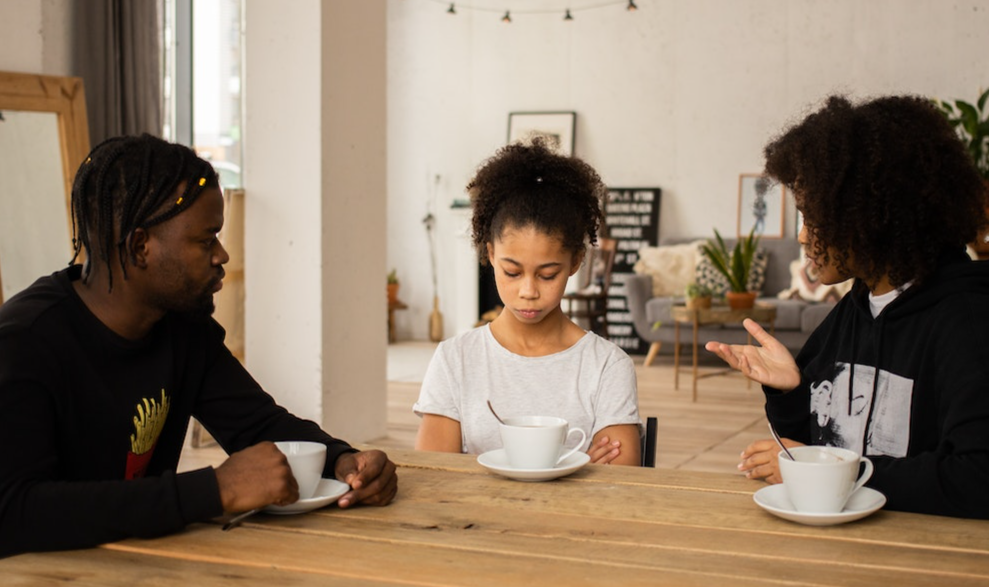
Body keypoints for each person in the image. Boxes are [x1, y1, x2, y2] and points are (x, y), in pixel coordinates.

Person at [0, 134, 397, 557]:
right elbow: (12, 513)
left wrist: (343, 461)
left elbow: (257, 425)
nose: (222, 254)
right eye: (206, 240)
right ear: (140, 247)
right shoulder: (25, 343)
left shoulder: (183, 329)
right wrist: (212, 490)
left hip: (142, 565)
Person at [706, 94, 989, 519]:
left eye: (813, 215)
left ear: (868, 215)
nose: (803, 235)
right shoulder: (856, 307)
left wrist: (838, 474)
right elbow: (816, 444)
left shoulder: (968, 322)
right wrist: (791, 392)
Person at [413, 138, 642, 465]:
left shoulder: (607, 366)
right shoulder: (455, 360)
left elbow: (620, 485)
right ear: (490, 254)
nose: (528, 291)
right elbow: (434, 476)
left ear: (576, 261)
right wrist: (576, 465)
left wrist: (483, 464)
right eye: (512, 271)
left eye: (548, 275)